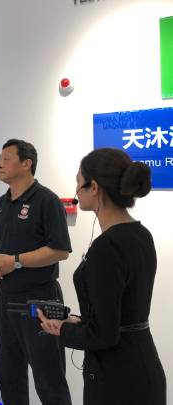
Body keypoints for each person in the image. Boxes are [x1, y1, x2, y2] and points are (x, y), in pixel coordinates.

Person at [38, 148, 166, 405]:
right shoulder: (140, 234)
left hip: (118, 379)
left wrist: (62, 329)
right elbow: (118, 312)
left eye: (78, 181)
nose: (76, 191)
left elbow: (103, 335)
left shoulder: (107, 246)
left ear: (94, 187)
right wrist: (78, 321)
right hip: (142, 365)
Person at [0, 139, 72, 405]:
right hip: (5, 297)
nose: (0, 164)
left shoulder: (46, 200)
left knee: (49, 377)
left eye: (6, 159)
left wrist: (16, 262)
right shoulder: (1, 203)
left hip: (39, 298)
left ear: (26, 164)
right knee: (8, 374)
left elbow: (60, 250)